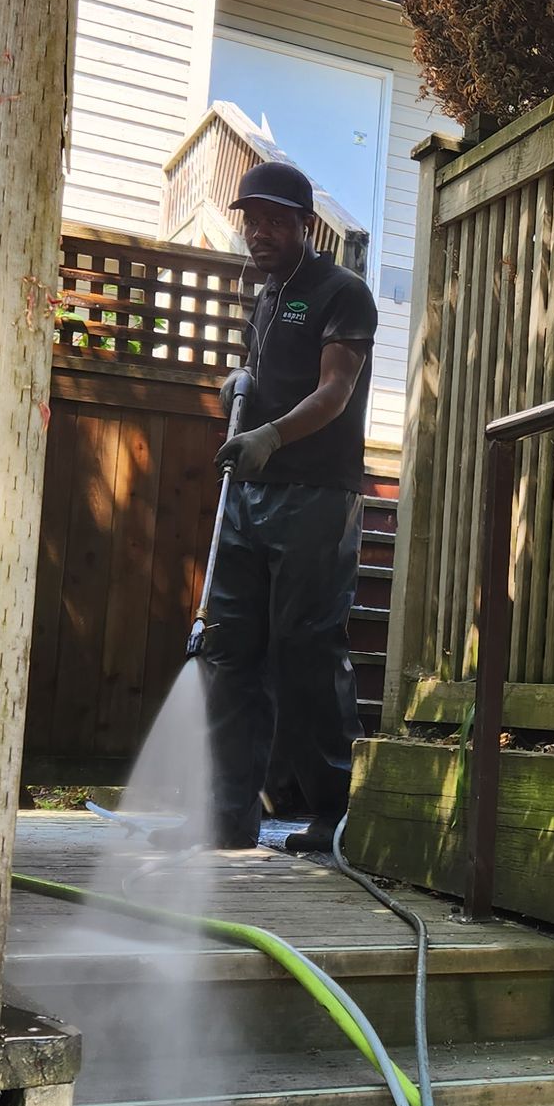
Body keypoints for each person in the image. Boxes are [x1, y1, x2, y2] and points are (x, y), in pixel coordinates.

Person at [200, 157, 377, 853]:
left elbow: (335, 390)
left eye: (276, 221)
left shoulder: (343, 293)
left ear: (306, 225)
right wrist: (240, 382)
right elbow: (272, 371)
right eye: (253, 220)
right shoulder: (269, 296)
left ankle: (337, 818)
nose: (260, 233)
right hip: (249, 495)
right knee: (230, 653)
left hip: (316, 498)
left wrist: (271, 435)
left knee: (306, 653)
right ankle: (228, 817)